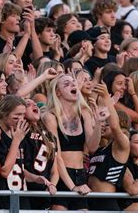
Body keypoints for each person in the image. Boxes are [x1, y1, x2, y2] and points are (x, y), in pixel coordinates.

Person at [43, 74, 102, 210]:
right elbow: (57, 156)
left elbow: (92, 147)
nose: (73, 85)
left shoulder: (84, 113)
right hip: (61, 175)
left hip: (81, 173)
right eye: (66, 84)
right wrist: (72, 187)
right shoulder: (50, 117)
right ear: (57, 92)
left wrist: (98, 123)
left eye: (73, 82)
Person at [88, 81, 130, 211]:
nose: (105, 124)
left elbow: (114, 126)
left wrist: (106, 98)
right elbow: (90, 146)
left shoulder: (122, 145)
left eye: (107, 119)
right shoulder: (101, 148)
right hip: (91, 201)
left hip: (106, 203)